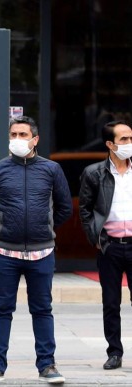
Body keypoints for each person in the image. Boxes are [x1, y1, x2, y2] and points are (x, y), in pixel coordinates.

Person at [0, 116, 72, 384]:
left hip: (42, 253)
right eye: (13, 134)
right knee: (1, 309)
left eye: (23, 134)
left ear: (35, 139)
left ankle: (47, 365)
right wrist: (2, 229)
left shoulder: (51, 170)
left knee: (42, 309)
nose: (17, 139)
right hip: (5, 252)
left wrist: (44, 228)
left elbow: (64, 208)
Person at [79, 121, 132, 371]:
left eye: (131, 138)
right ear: (110, 144)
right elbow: (85, 210)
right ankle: (114, 352)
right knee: (111, 303)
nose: (129, 144)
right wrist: (98, 241)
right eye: (123, 140)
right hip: (110, 246)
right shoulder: (94, 173)